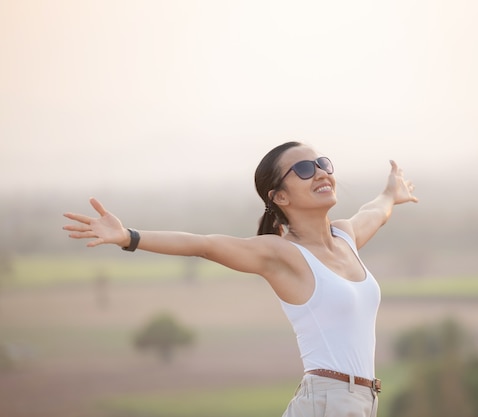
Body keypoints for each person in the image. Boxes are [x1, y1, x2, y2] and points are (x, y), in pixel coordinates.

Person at [63, 141, 418, 417]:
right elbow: (204, 245)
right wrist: (129, 237)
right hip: (327, 401)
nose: (322, 173)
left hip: (362, 400)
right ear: (279, 196)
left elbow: (375, 212)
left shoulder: (345, 237)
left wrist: (391, 193)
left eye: (323, 164)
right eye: (306, 169)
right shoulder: (282, 255)